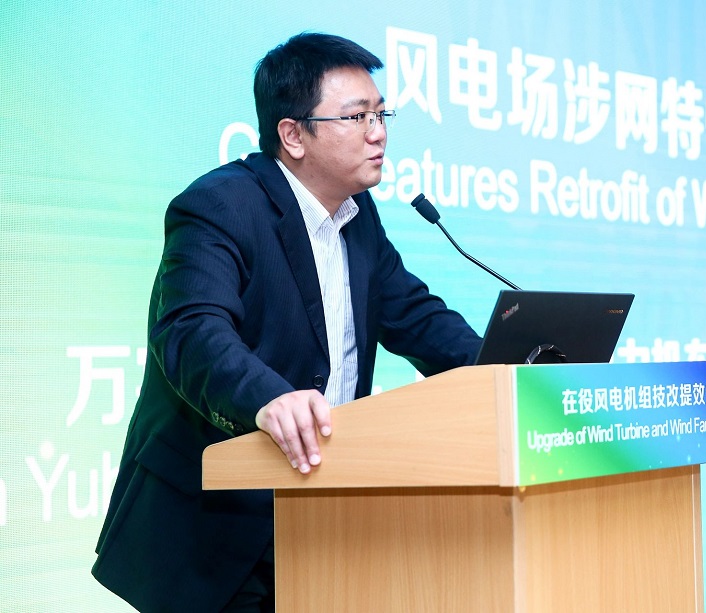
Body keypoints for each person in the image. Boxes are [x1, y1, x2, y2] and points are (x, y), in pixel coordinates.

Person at [92, 32, 482, 612]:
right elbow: (193, 331)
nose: (378, 132)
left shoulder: (358, 215)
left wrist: (513, 371)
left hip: (319, 521)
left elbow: (419, 319)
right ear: (293, 135)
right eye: (356, 116)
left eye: (381, 114)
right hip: (215, 535)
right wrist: (269, 399)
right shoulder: (220, 205)